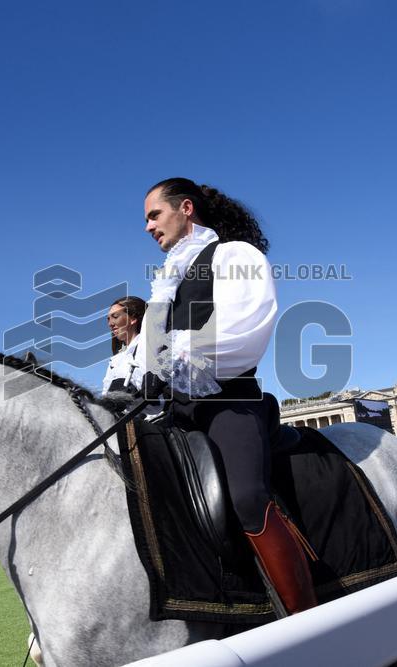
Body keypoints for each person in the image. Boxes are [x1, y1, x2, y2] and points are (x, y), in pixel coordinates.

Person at [139, 177, 316, 615]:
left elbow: (245, 326)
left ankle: (307, 618)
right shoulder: (166, 281)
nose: (147, 227)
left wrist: (176, 360)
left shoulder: (234, 255)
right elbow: (148, 348)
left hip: (229, 402)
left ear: (185, 208)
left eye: (153, 215)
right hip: (173, 410)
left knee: (246, 498)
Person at [102, 296, 148, 395]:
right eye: (108, 319)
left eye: (115, 316)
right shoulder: (114, 361)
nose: (110, 323)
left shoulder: (150, 347)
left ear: (133, 319)